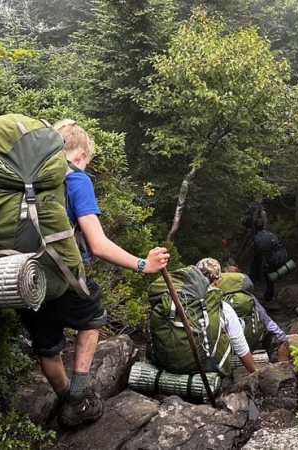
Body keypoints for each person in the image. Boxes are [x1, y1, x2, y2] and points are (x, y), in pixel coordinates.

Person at [18, 119, 170, 428]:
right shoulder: (75, 178)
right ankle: (77, 399)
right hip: (61, 272)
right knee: (92, 317)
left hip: (18, 274)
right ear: (80, 154)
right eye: (88, 160)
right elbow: (98, 245)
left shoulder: (24, 179)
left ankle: (66, 400)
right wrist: (143, 264)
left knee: (46, 344)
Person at [195, 258, 258, 374]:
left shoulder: (183, 302)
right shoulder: (223, 309)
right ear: (217, 281)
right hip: (211, 366)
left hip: (183, 361)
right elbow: (240, 346)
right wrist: (255, 372)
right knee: (240, 323)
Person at [221, 265, 288, 345]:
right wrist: (281, 335)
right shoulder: (249, 296)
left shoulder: (216, 295)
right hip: (250, 343)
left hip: (226, 345)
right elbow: (264, 318)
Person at [248, 219, 288, 303]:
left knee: (263, 275)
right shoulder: (271, 234)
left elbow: (254, 255)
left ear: (254, 228)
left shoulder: (256, 238)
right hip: (280, 257)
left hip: (270, 260)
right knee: (269, 275)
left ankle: (253, 295)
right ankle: (270, 297)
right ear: (263, 226)